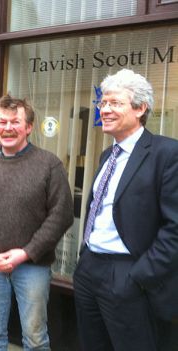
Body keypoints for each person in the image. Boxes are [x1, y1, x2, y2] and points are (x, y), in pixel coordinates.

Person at [73, 68, 178, 351]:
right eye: (103, 103)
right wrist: (84, 260)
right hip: (90, 268)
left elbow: (175, 228)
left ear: (140, 108)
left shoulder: (166, 154)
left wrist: (139, 276)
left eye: (115, 103)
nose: (104, 109)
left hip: (127, 275)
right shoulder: (108, 155)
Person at [0, 94, 74, 351]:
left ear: (29, 127)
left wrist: (26, 252)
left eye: (15, 122)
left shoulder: (49, 165)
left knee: (34, 339)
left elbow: (62, 214)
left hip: (32, 266)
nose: (8, 128)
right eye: (2, 122)